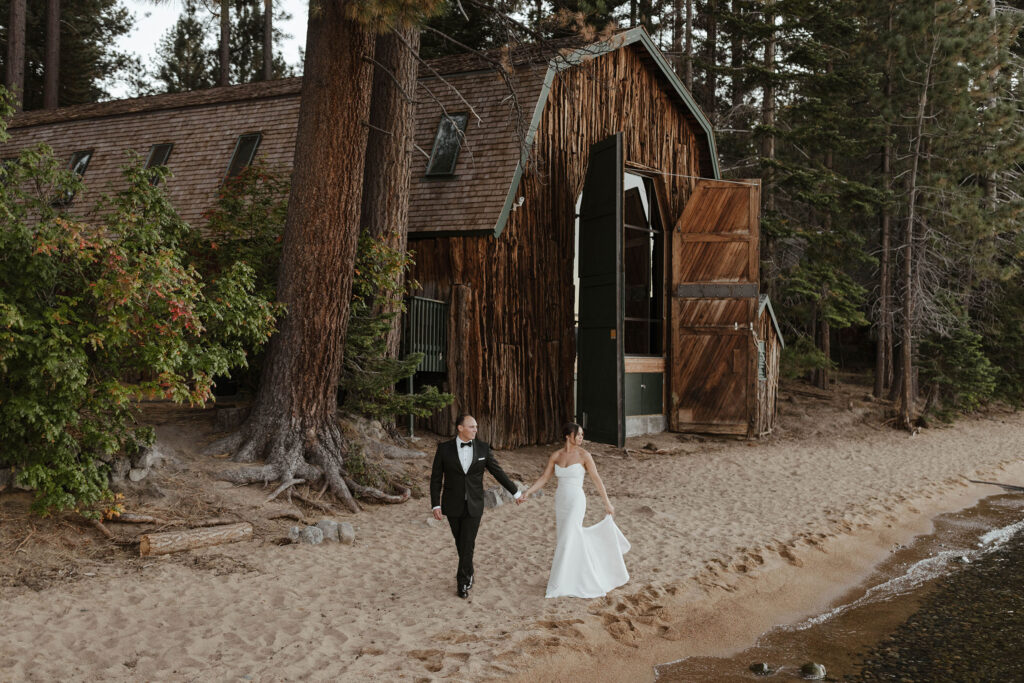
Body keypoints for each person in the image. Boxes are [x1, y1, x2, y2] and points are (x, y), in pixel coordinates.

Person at [520, 422, 630, 598]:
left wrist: (607, 503)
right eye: (578, 434)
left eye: (581, 435)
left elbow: (596, 479)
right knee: (566, 538)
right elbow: (544, 477)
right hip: (561, 501)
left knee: (568, 537)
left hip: (576, 501)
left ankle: (563, 582)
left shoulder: (584, 455)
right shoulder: (556, 455)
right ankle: (570, 577)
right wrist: (528, 492)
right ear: (567, 436)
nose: (581, 437)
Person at [431, 414, 521, 599]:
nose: (475, 430)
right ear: (460, 428)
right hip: (452, 503)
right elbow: (436, 478)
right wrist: (435, 504)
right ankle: (469, 569)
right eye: (471, 427)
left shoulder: (483, 448)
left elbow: (498, 472)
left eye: (476, 427)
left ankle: (463, 582)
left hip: (475, 504)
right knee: (460, 542)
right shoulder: (444, 449)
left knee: (468, 542)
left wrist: (516, 492)